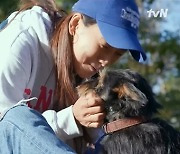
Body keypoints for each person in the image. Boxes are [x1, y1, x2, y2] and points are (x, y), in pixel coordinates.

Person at [0, 0, 147, 153]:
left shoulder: (90, 78)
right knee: (15, 115)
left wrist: (91, 125)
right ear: (76, 24)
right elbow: (6, 129)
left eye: (118, 54)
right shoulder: (21, 40)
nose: (107, 61)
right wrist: (70, 119)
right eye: (104, 46)